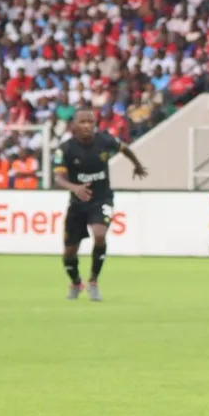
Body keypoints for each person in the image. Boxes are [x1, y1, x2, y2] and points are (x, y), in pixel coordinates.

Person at [53, 108, 148, 301]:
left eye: (90, 122)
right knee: (69, 252)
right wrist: (75, 188)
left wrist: (137, 165)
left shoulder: (105, 140)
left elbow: (125, 149)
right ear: (74, 126)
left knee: (99, 234)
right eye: (82, 122)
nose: (87, 126)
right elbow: (58, 178)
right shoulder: (65, 149)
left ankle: (93, 282)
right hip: (78, 203)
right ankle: (76, 282)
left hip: (102, 199)